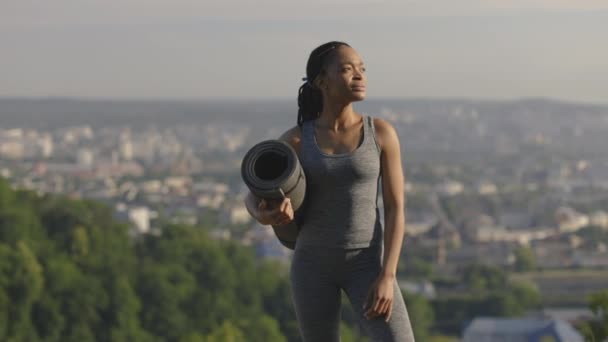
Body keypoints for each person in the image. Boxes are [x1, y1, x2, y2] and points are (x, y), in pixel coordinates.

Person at [244, 41, 415, 341]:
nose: (360, 75)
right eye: (347, 69)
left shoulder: (381, 134)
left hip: (367, 264)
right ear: (322, 81)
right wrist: (263, 213)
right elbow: (254, 192)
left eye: (362, 69)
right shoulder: (298, 140)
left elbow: (395, 208)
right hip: (312, 266)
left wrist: (388, 275)